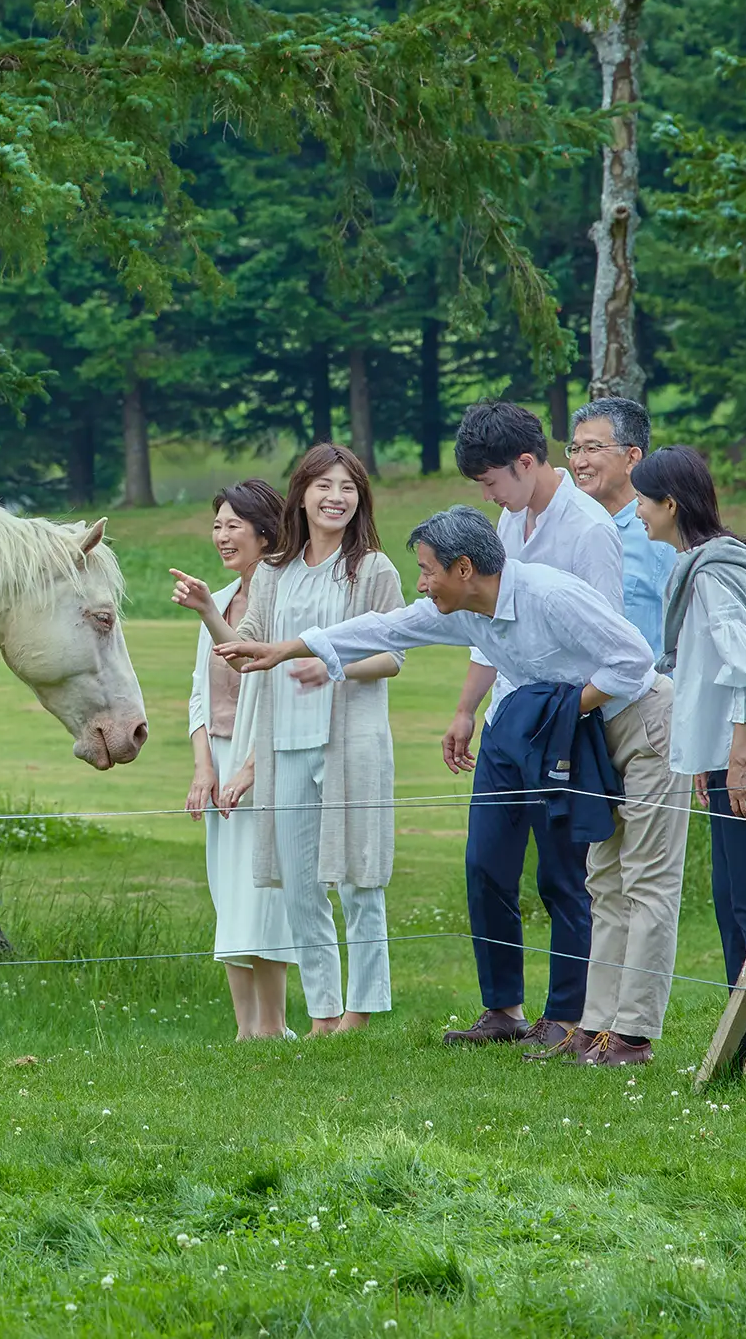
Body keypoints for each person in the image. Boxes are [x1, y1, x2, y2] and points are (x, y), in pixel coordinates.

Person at [222, 505, 676, 1068]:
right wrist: (286, 649)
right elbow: (384, 628)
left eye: (427, 570)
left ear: (464, 569)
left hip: (642, 724)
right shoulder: (466, 611)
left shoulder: (548, 594)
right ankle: (596, 1029)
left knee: (646, 882)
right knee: (603, 881)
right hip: (584, 732)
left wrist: (561, 710)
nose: (421, 583)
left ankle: (633, 1036)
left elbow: (633, 660)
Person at [177, 444, 403, 1037]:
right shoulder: (277, 572)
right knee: (301, 887)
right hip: (286, 746)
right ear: (302, 493)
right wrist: (207, 608)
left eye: (348, 487)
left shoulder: (374, 570)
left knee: (358, 879)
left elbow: (391, 658)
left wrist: (334, 664)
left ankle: (361, 1012)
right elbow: (244, 648)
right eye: (325, 485)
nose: (337, 498)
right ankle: (324, 1014)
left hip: (352, 743)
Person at [440, 400, 624, 1050]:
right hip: (504, 720)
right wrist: (466, 707)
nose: (488, 494)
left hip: (562, 719)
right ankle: (503, 1009)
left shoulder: (589, 530)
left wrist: (571, 716)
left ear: (525, 463)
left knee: (561, 873)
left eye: (491, 481)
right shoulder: (509, 521)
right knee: (485, 862)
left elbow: (611, 639)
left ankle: (567, 1013)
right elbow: (491, 626)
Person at [634, 445, 746, 1074]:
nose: (639, 514)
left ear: (671, 504)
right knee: (731, 898)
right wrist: (712, 765)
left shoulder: (711, 575)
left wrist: (737, 764)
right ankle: (744, 1036)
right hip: (727, 760)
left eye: (644, 502)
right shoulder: (698, 568)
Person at [170, 480, 296, 1041]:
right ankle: (245, 1029)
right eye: (217, 525)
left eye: (233, 525)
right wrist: (204, 767)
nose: (222, 536)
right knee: (228, 894)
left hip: (265, 757)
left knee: (263, 894)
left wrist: (250, 766)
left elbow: (276, 687)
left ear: (265, 532)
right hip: (220, 760)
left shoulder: (283, 598)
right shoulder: (218, 600)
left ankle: (274, 1025)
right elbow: (200, 692)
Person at [569, 395, 677, 658]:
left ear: (632, 458)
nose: (579, 462)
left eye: (593, 449)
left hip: (648, 694)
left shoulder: (662, 535)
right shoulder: (568, 528)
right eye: (574, 449)